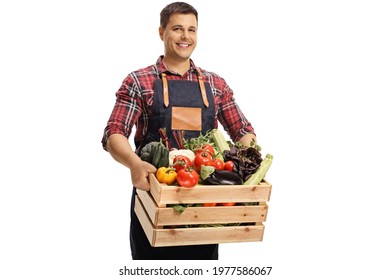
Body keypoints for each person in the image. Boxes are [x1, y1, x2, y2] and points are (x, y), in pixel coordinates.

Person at [101, 2, 257, 260]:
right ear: (161, 32)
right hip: (155, 196)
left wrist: (248, 158)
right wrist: (134, 164)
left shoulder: (215, 84)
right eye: (177, 29)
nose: (186, 36)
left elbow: (243, 131)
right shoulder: (139, 81)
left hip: (204, 200)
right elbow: (114, 132)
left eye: (192, 30)